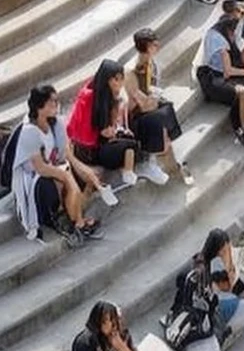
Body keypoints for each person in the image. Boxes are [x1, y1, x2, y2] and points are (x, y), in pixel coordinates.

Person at [11, 85, 104, 243]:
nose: (56, 104)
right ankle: (77, 223)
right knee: (61, 182)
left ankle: (77, 222)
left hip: (53, 166)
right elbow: (39, 167)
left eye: (56, 100)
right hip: (33, 176)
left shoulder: (56, 123)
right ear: (40, 107)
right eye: (51, 102)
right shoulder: (29, 131)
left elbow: (63, 154)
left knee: (77, 177)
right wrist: (65, 176)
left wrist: (76, 170)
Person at [196, 10, 244, 153]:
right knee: (242, 92)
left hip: (223, 72)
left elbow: (242, 56)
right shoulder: (220, 42)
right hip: (213, 76)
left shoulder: (230, 35)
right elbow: (228, 71)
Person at [124, 28, 189, 185]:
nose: (157, 45)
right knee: (160, 127)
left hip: (148, 108)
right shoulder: (131, 71)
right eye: (153, 43)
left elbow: (152, 92)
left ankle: (172, 167)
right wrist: (153, 100)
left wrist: (155, 100)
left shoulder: (151, 64)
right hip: (135, 116)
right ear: (146, 46)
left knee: (167, 109)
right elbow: (141, 104)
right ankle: (158, 165)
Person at [66, 60, 140, 187]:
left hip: (99, 143)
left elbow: (110, 125)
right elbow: (83, 132)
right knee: (131, 146)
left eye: (122, 79)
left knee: (133, 137)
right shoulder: (88, 97)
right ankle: (126, 172)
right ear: (108, 79)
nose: (121, 83)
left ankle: (126, 170)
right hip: (87, 150)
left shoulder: (106, 94)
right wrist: (103, 133)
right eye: (117, 80)